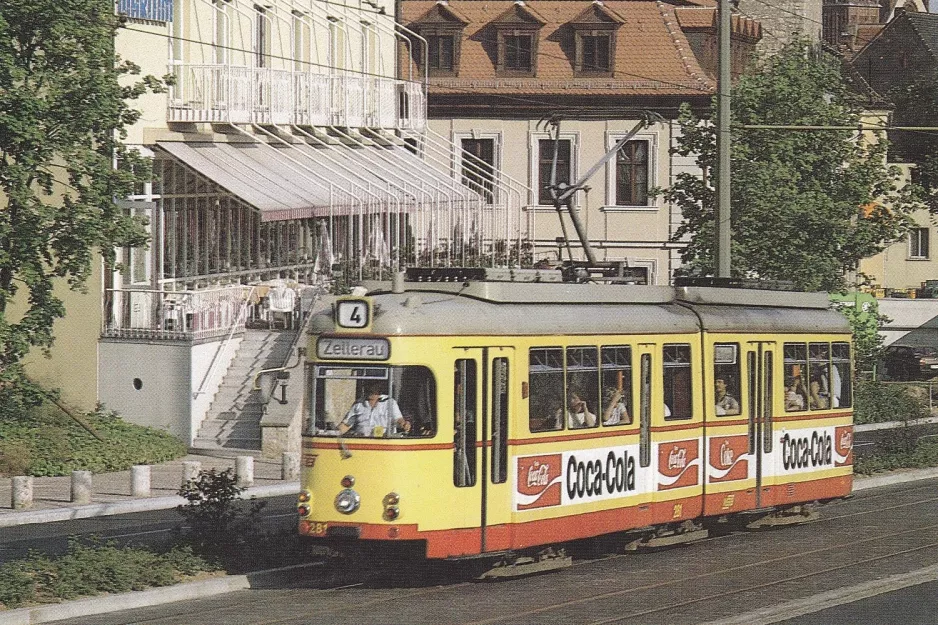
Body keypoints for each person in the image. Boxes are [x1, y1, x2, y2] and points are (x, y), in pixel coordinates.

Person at [339, 383, 407, 436]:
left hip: (384, 443)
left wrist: (404, 424)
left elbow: (398, 419)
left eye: (372, 387)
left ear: (379, 388)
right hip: (361, 442)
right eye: (367, 387)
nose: (369, 389)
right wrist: (333, 433)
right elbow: (346, 424)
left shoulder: (390, 402)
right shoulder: (358, 403)